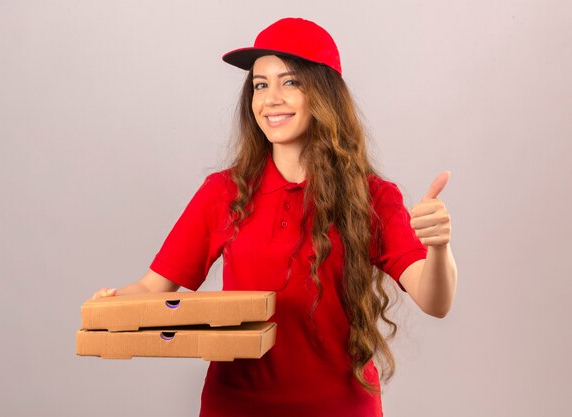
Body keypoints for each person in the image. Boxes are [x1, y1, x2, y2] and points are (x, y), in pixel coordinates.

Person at [91, 17, 457, 417]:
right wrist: (111, 305)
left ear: (323, 95)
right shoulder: (223, 192)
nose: (270, 98)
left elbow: (434, 300)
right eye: (260, 85)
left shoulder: (372, 197)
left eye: (290, 82)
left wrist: (439, 248)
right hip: (236, 406)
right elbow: (152, 289)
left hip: (340, 405)